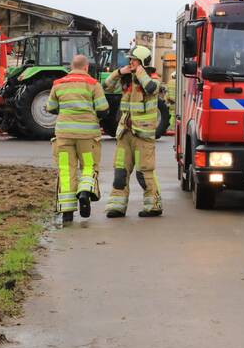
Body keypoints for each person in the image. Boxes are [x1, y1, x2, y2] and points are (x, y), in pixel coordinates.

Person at [45, 54, 109, 226]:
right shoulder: (93, 84)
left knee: (66, 170)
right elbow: (103, 109)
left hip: (64, 135)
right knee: (88, 166)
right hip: (87, 136)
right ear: (86, 67)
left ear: (71, 66)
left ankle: (67, 213)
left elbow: (50, 107)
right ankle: (85, 192)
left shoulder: (58, 84)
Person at [104, 45, 163, 218]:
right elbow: (106, 86)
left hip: (143, 135)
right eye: (130, 60)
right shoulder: (127, 79)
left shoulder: (152, 78)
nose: (130, 63)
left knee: (144, 173)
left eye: (134, 60)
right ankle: (117, 206)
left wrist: (139, 71)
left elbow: (150, 88)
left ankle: (153, 206)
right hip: (125, 133)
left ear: (143, 62)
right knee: (120, 172)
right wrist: (119, 73)